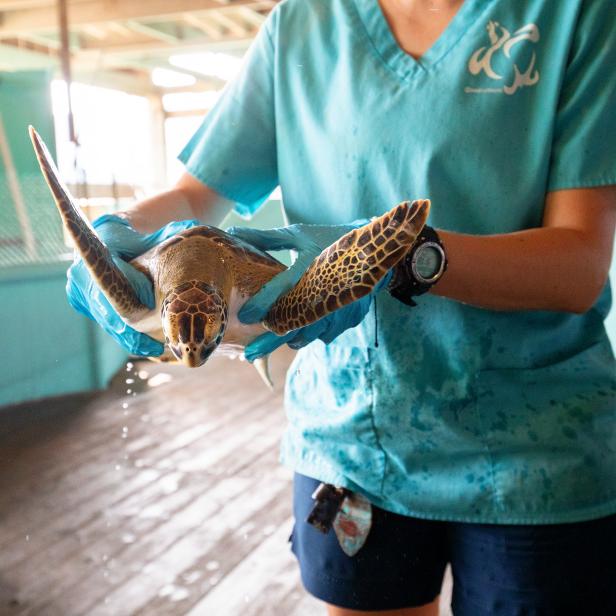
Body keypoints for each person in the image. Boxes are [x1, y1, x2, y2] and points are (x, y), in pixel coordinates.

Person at [68, 0, 616, 614]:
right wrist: (112, 243)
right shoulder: (301, 25)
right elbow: (196, 195)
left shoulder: (578, 14)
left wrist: (395, 257)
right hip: (351, 442)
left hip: (536, 445)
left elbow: (578, 266)